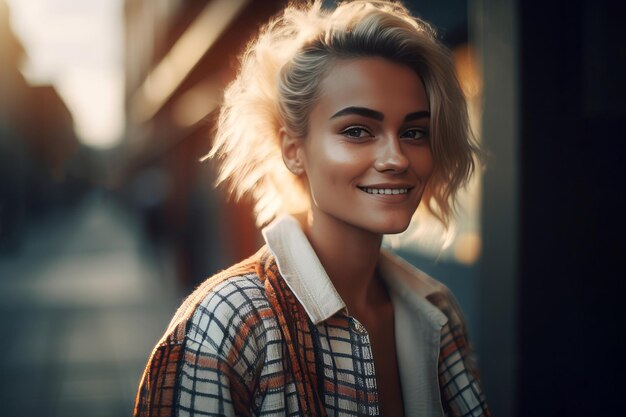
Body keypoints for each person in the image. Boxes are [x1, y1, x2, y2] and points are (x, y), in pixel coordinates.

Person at [134, 1, 490, 416]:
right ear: (293, 149)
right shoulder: (226, 323)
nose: (396, 158)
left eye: (414, 131)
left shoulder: (437, 310)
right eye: (357, 130)